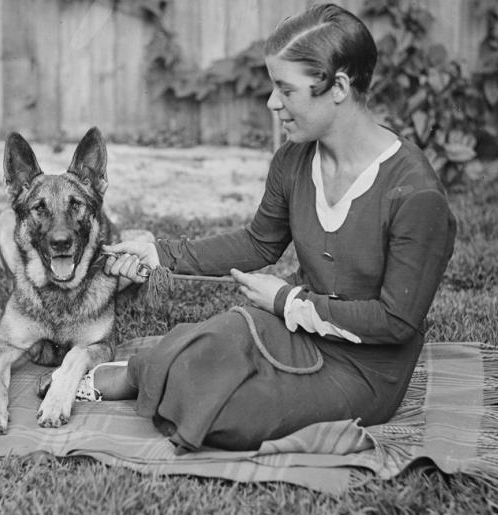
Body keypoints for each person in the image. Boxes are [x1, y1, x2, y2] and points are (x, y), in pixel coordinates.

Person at [93, 3, 457, 452]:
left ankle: (151, 374)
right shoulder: (293, 159)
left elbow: (396, 322)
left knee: (229, 417)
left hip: (365, 369)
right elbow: (258, 242)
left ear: (338, 87)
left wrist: (287, 300)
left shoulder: (415, 194)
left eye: (286, 89)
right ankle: (146, 371)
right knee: (216, 340)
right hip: (297, 326)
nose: (272, 103)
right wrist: (160, 254)